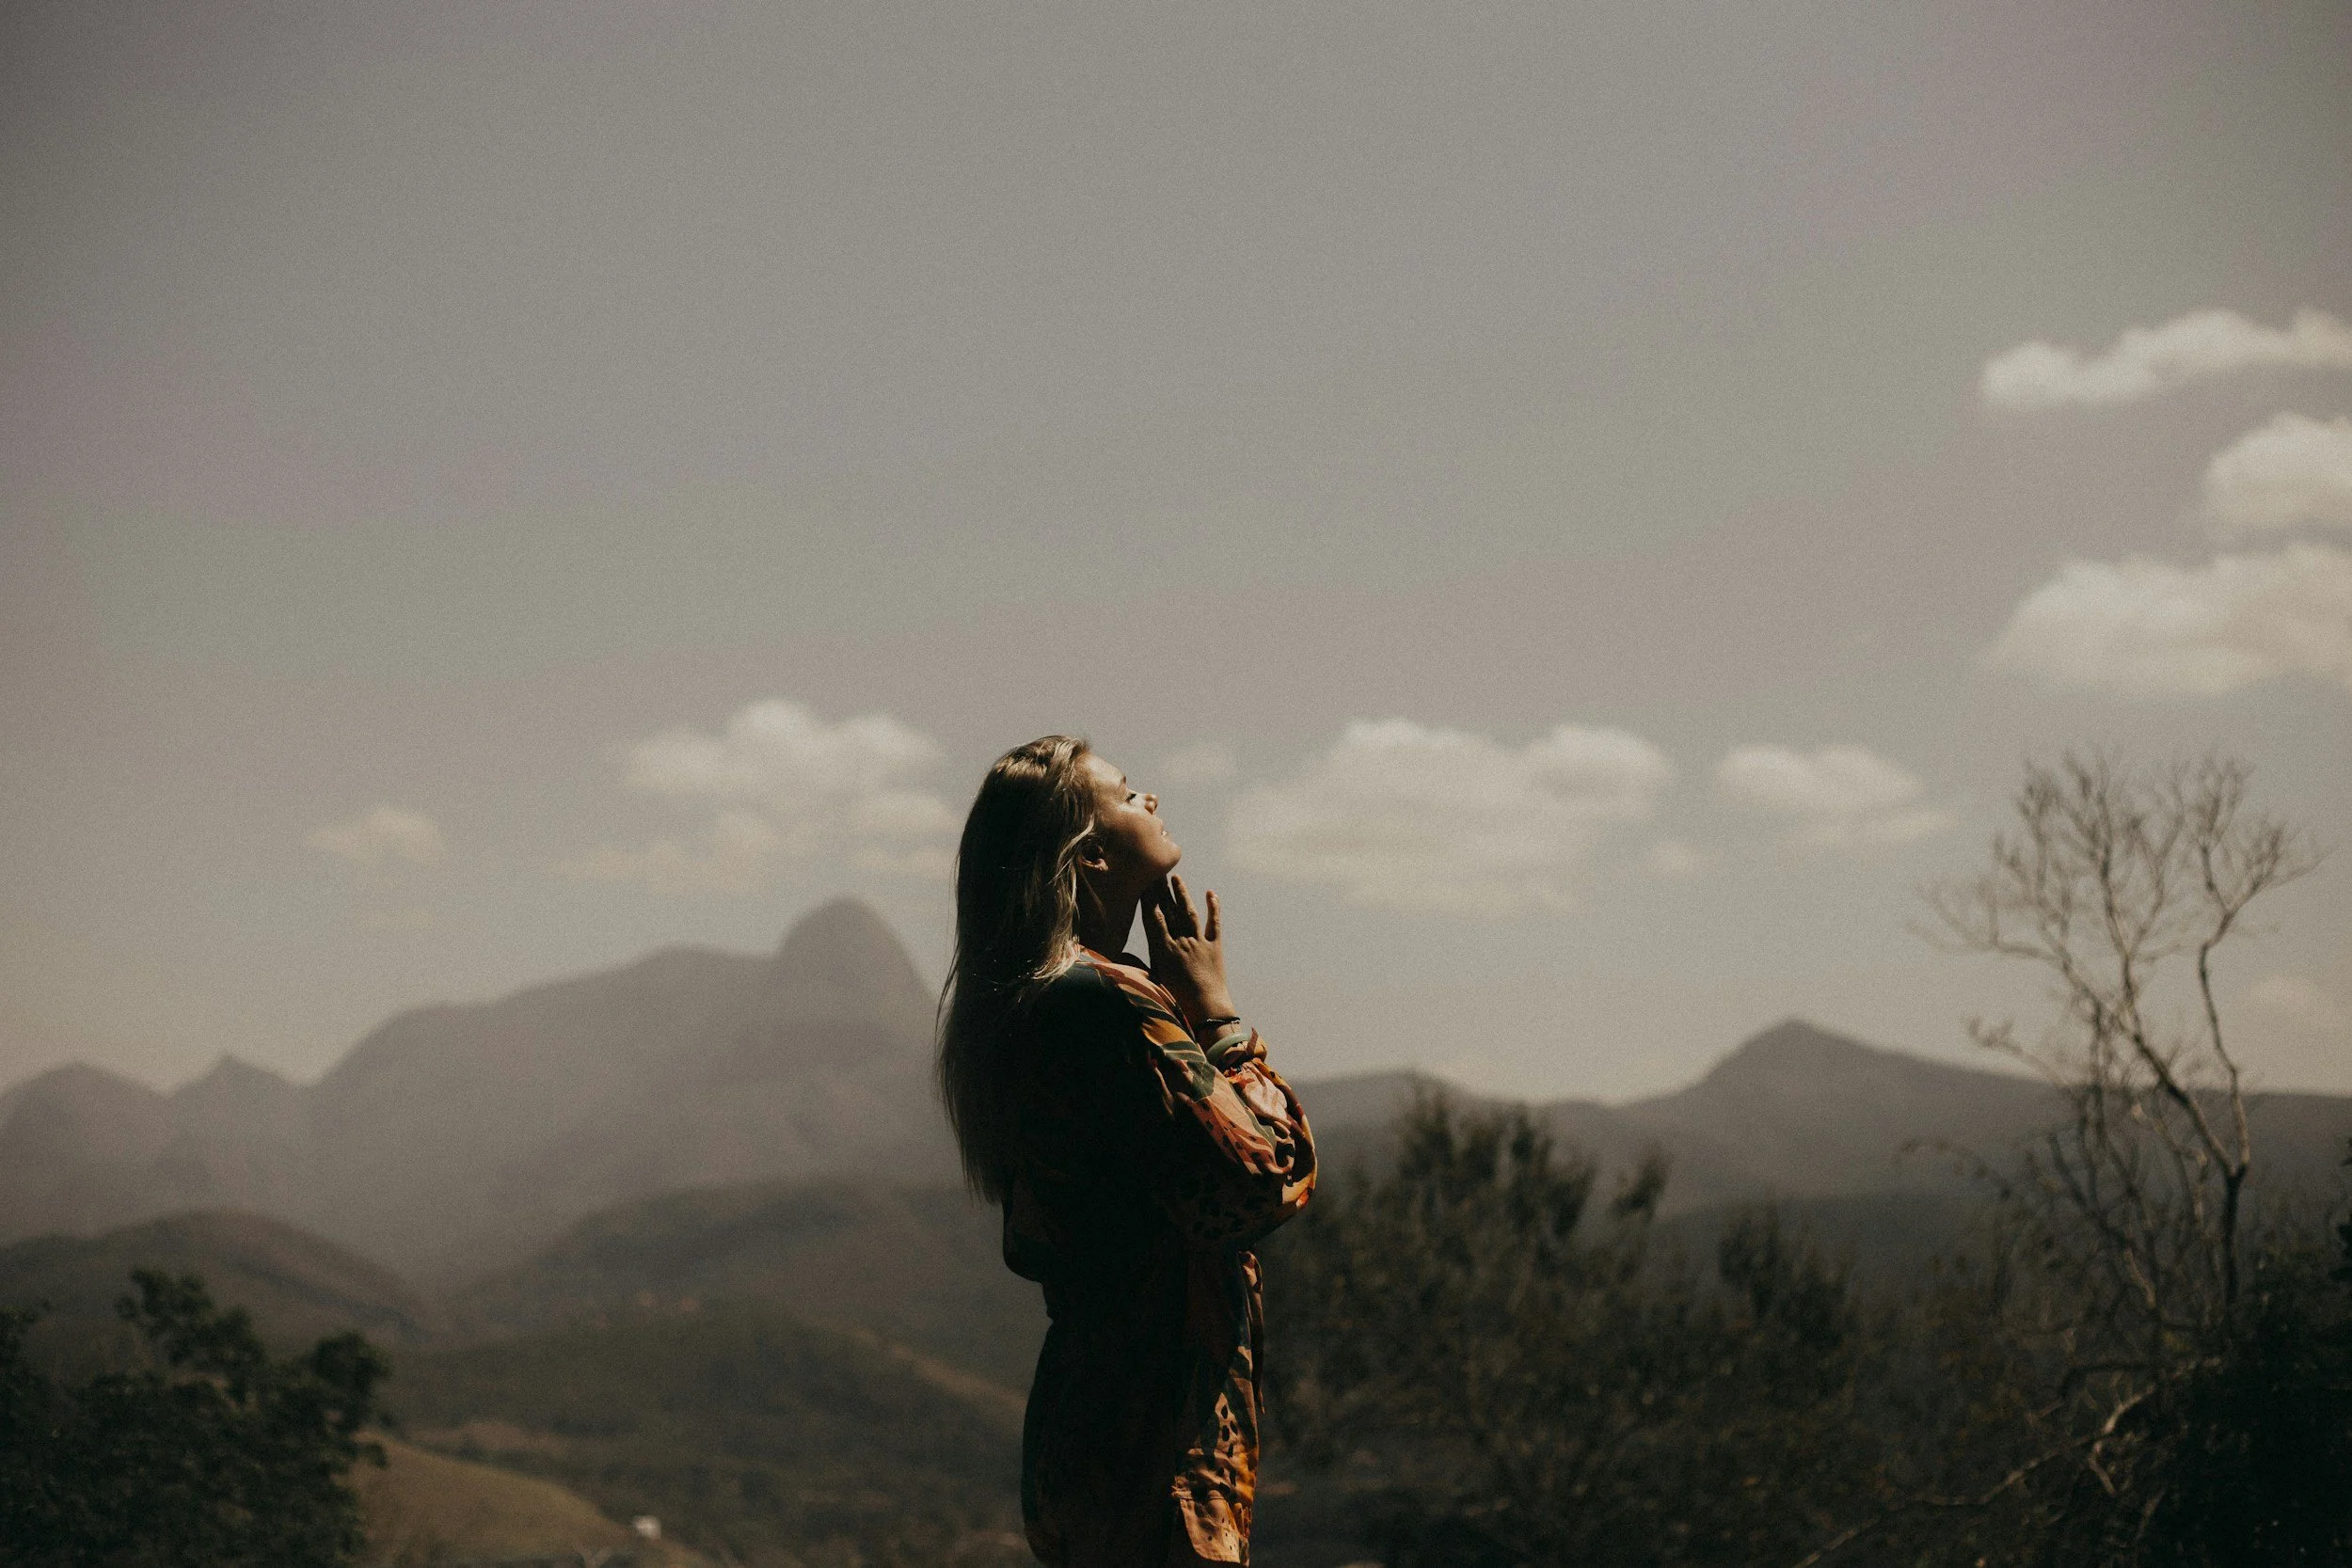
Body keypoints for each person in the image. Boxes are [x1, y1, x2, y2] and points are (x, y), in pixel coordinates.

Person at [938, 735, 1316, 1567]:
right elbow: (1266, 1181)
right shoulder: (1103, 1002)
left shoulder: (1036, 1005)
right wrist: (1219, 1017)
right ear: (1091, 851)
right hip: (1155, 1441)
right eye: (1125, 792)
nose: (1149, 797)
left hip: (1092, 1431)